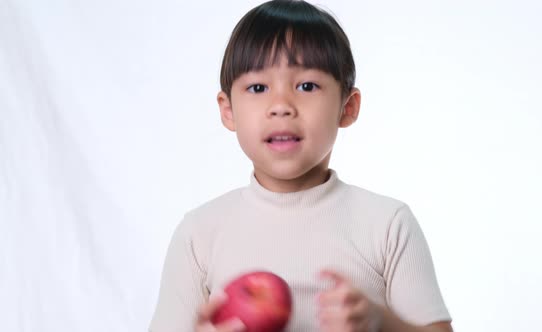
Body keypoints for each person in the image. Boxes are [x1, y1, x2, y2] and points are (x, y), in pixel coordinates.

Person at [149, 0, 453, 331]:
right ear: (228, 111)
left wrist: (381, 323)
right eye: (258, 87)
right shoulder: (199, 234)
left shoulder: (388, 225)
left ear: (347, 107)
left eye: (307, 86)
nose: (281, 106)